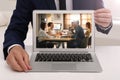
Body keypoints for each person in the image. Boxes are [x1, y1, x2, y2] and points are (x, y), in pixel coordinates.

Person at [3, 0, 112, 72]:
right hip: (44, 53)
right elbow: (16, 28)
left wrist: (106, 22)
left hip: (81, 51)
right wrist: (14, 46)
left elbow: (103, 21)